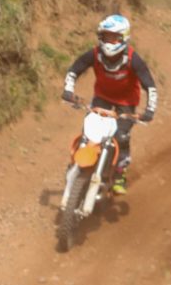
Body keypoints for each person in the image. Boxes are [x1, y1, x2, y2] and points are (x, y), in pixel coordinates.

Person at [61, 14, 158, 194]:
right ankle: (75, 164)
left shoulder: (133, 59)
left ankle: (120, 172)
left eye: (114, 37)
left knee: (121, 136)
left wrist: (150, 110)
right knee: (89, 132)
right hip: (102, 97)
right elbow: (75, 69)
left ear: (123, 38)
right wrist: (68, 90)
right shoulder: (95, 54)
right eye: (106, 36)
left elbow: (149, 85)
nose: (109, 41)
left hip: (126, 102)